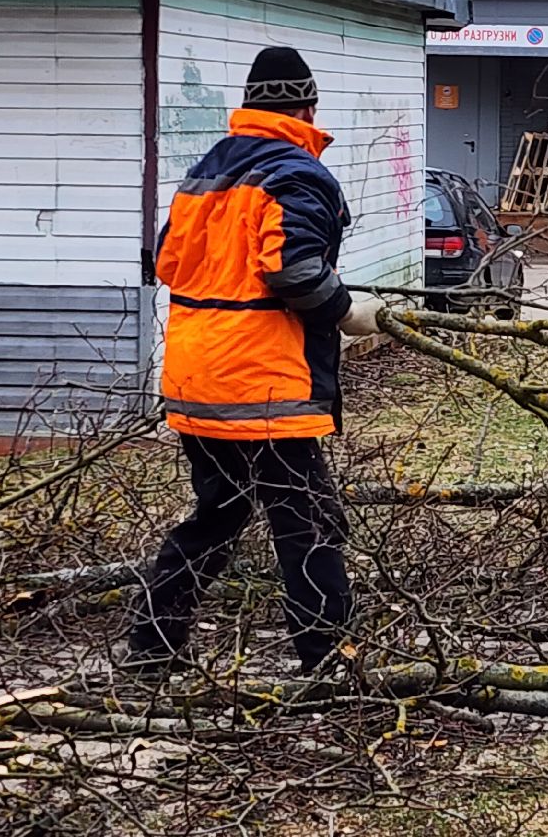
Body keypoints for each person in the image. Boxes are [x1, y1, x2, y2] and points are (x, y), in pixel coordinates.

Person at [128, 46, 384, 676]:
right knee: (310, 526)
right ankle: (327, 663)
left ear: (251, 105)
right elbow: (293, 270)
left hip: (195, 378)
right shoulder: (297, 173)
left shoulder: (207, 171)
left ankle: (152, 646)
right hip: (265, 385)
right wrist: (346, 311)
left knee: (218, 516)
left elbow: (165, 262)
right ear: (308, 105)